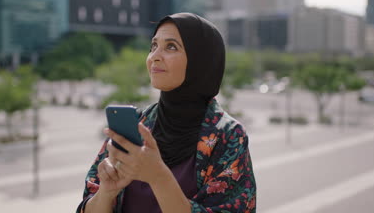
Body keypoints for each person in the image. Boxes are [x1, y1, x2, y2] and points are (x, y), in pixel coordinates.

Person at [76, 13, 256, 213]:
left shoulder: (228, 136)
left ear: (201, 60)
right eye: (153, 46)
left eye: (171, 47)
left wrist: (158, 176)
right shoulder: (137, 124)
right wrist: (107, 192)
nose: (154, 56)